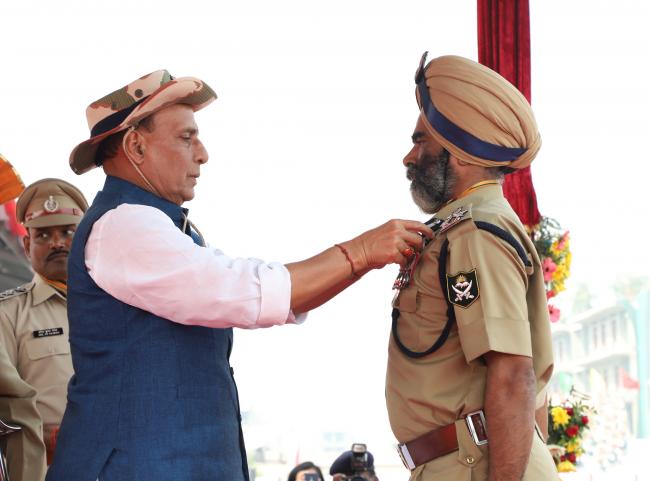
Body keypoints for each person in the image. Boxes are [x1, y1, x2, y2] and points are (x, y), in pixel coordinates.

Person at [46, 70, 432, 481]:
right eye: (186, 137)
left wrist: (363, 257)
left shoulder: (162, 227)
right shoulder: (124, 225)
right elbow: (243, 290)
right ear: (136, 146)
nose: (202, 154)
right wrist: (362, 252)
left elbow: (260, 292)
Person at [385, 53, 556, 481]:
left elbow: (514, 375)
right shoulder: (461, 228)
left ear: (459, 153)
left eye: (421, 142)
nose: (409, 157)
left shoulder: (475, 232)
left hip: (476, 465)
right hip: (464, 462)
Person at [0, 178, 88, 480]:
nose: (57, 243)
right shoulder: (7, 315)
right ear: (27, 245)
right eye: (43, 235)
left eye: (68, 232)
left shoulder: (118, 306)